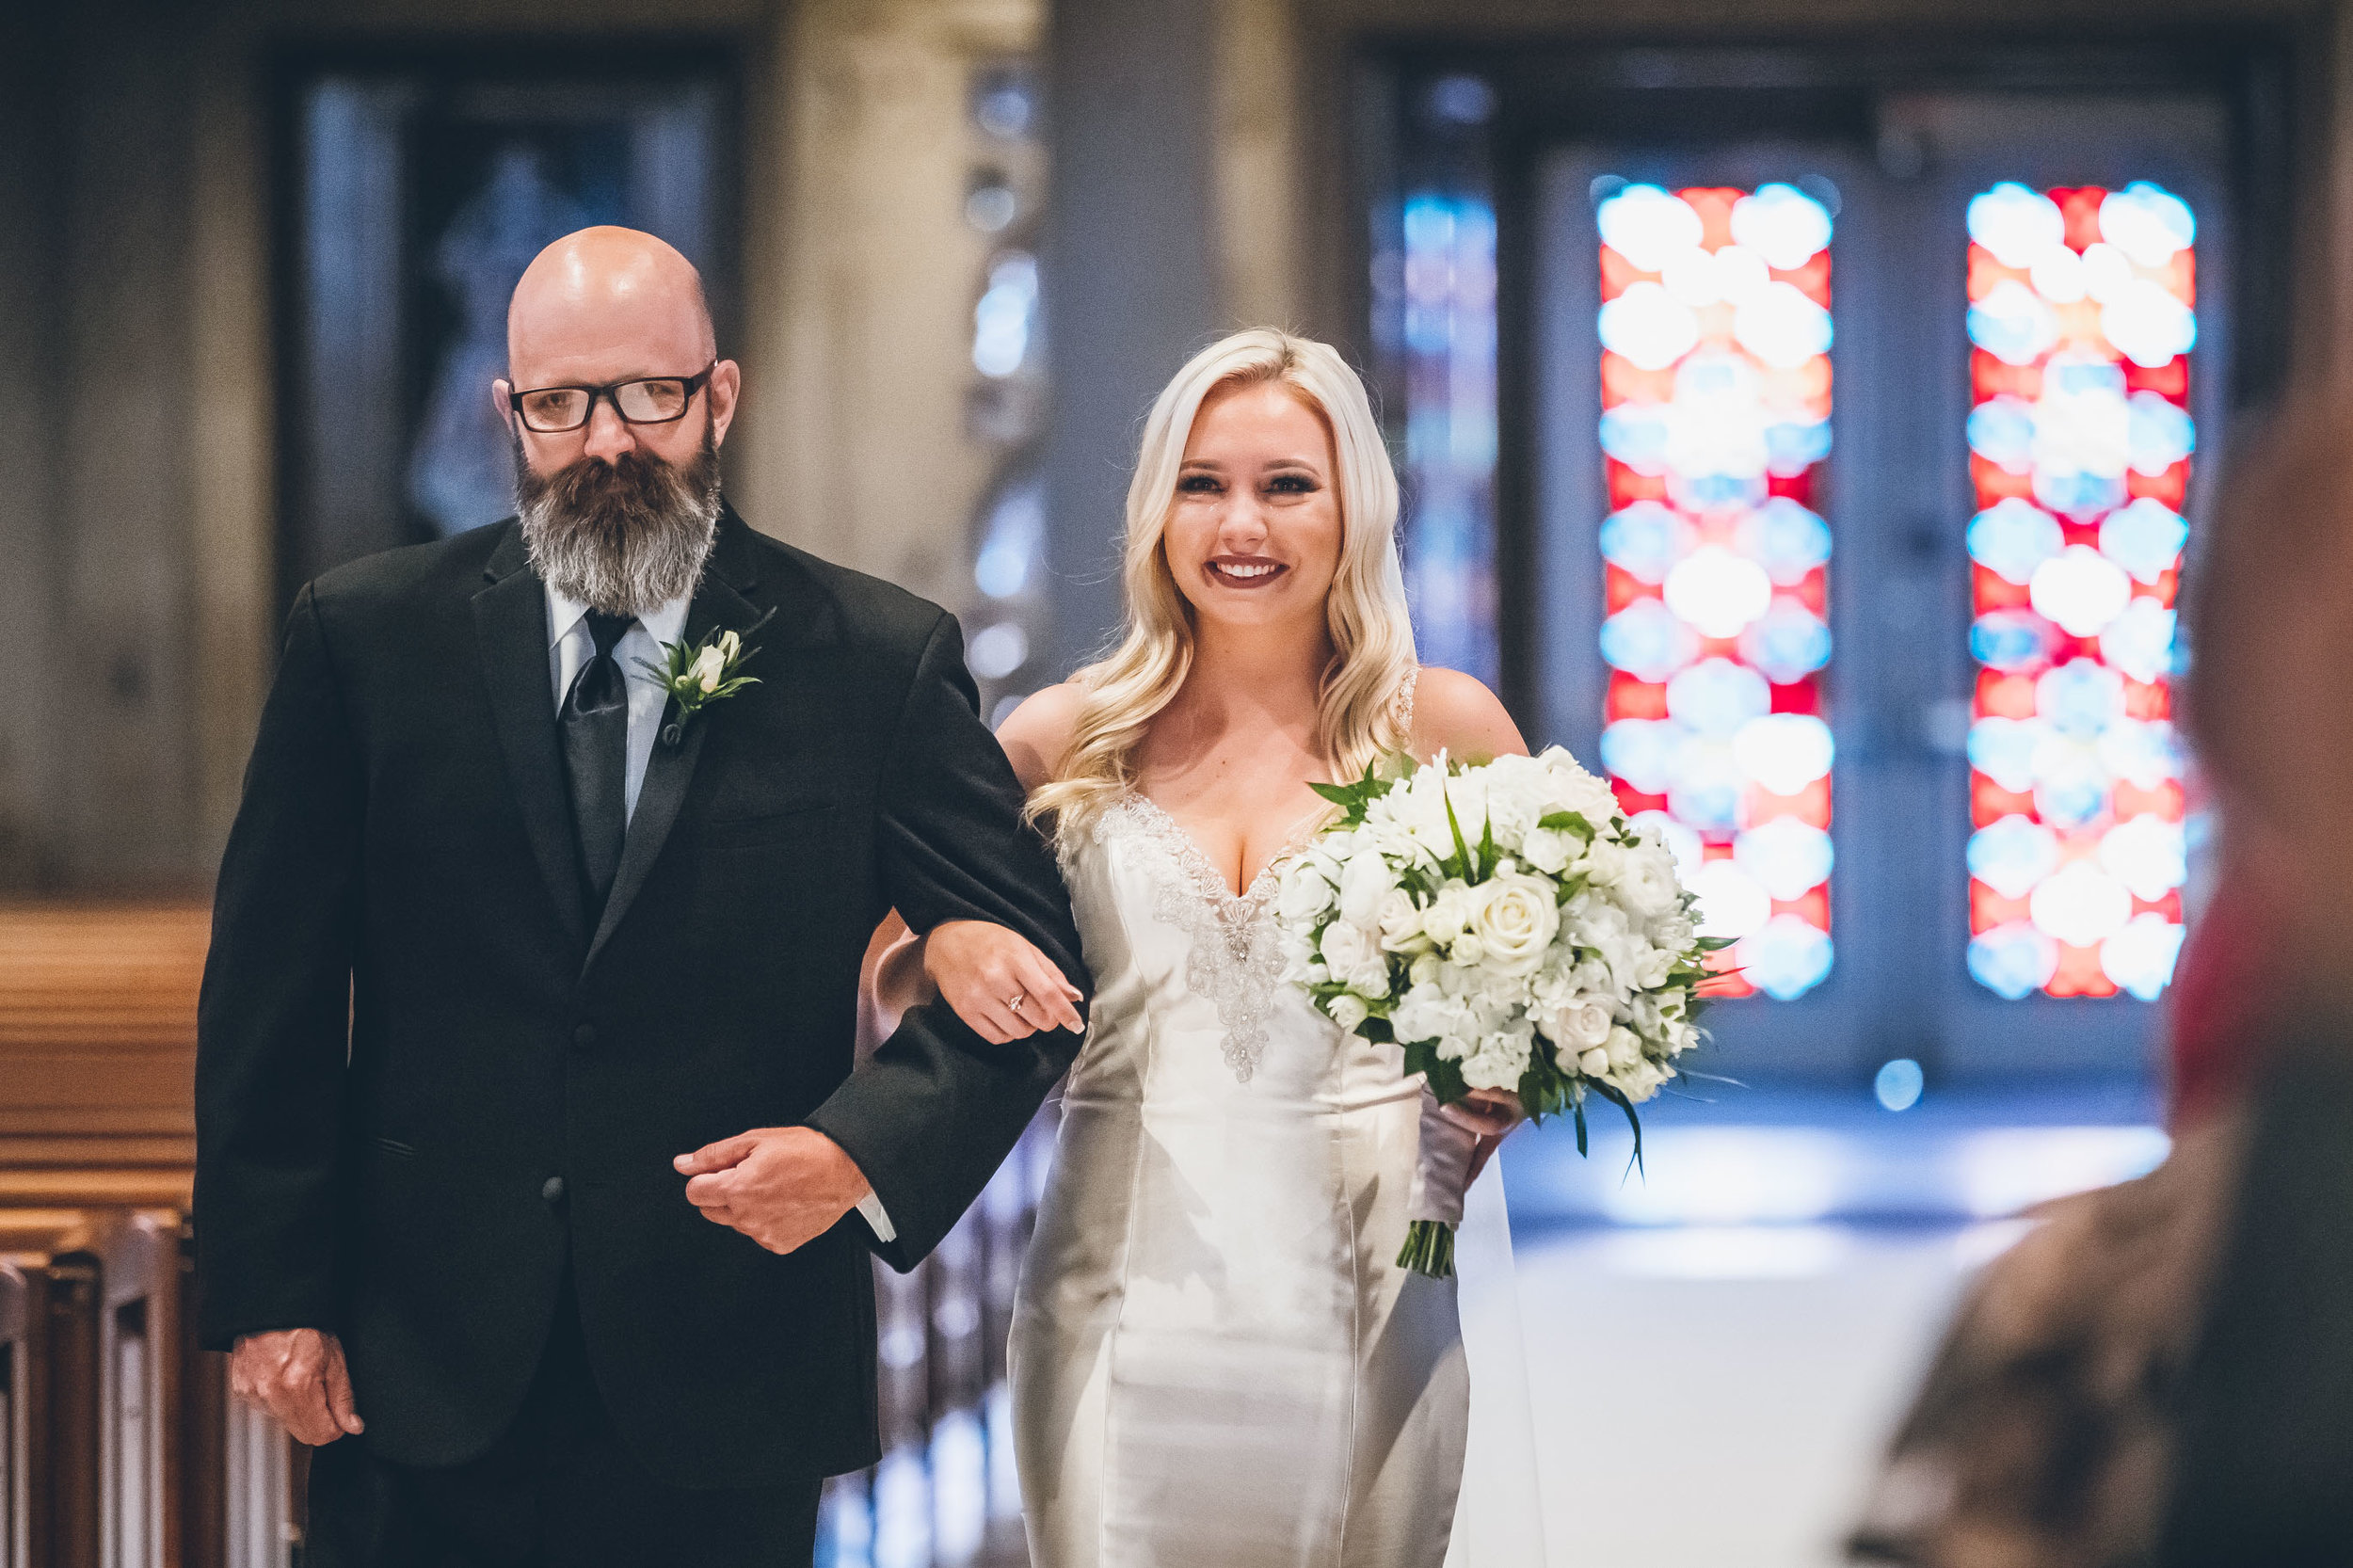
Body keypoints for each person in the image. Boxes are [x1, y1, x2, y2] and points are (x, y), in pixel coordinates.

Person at [192, 226, 1088, 1566]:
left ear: (718, 397)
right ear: (510, 412)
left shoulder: (874, 659)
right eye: (560, 404)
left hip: (726, 1353)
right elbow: (271, 986)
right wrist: (271, 1289)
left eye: (648, 396)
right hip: (421, 1354)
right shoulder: (365, 640)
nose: (606, 440)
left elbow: (1037, 973)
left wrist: (857, 1153)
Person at [892, 329, 1548, 1567]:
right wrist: (955, 947)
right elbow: (886, 962)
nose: (1240, 521)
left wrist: (1511, 1073)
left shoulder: (1451, 731)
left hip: (1370, 1283)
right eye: (1203, 482)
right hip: (1118, 1295)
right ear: (1156, 508)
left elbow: (1576, 973)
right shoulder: (1057, 738)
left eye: (1285, 484)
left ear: (1354, 501)